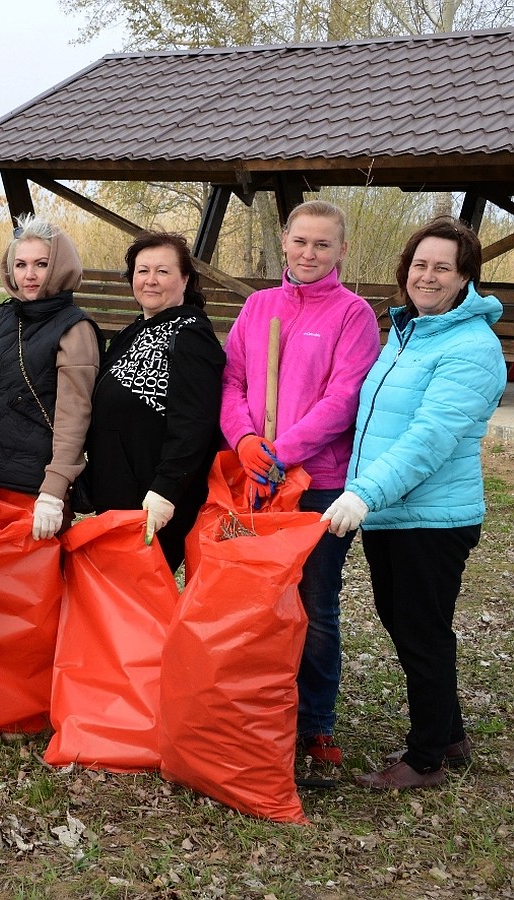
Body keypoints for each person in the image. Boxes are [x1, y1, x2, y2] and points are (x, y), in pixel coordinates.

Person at [321, 217, 505, 790]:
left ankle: (425, 758)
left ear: (465, 276)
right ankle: (448, 733)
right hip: (392, 512)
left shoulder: (471, 347)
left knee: (422, 633)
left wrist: (362, 493)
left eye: (442, 267)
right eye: (420, 265)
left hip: (432, 517)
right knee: (407, 627)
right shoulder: (408, 333)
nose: (427, 276)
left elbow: (428, 438)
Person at [220, 199, 380, 775]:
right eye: (300, 242)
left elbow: (343, 401)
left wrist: (282, 452)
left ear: (341, 250)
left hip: (319, 483)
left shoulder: (353, 314)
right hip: (258, 476)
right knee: (258, 597)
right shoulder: (259, 306)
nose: (309, 254)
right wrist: (244, 441)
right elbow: (233, 379)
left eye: (322, 245)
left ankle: (314, 723)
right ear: (284, 242)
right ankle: (255, 707)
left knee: (315, 600)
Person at [85, 231, 225, 571]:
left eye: (162, 271)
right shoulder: (133, 331)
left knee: (139, 600)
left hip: (154, 500)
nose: (150, 280)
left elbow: (195, 424)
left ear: (185, 279)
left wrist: (166, 490)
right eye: (142, 270)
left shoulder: (190, 336)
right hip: (117, 494)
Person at [0, 215, 100, 541]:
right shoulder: (3, 317)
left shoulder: (74, 328)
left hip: (34, 487)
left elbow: (74, 417)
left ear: (59, 266)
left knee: (31, 587)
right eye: (21, 265)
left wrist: (53, 489)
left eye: (41, 264)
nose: (30, 275)